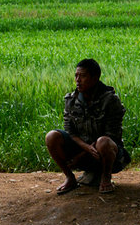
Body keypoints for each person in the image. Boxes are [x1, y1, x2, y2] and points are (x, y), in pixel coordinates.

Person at [45, 58, 131, 195]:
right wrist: (84, 148)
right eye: (76, 76)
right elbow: (69, 130)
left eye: (83, 76)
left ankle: (106, 177)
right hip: (82, 148)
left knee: (103, 141)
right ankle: (70, 178)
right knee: (51, 137)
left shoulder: (110, 100)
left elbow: (112, 135)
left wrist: (81, 155)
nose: (78, 80)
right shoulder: (71, 100)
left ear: (95, 78)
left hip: (106, 152)